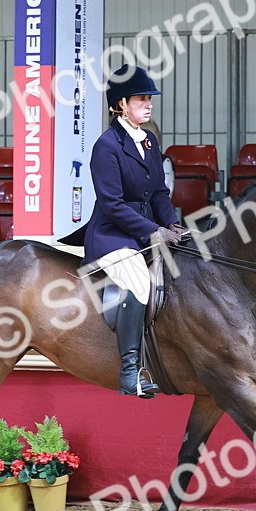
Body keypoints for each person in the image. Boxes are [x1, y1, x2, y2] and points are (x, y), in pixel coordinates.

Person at [61, 65, 188, 398]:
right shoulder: (107, 146)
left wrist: (171, 223)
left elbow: (159, 192)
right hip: (112, 236)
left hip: (144, 232)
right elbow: (113, 205)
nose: (149, 105)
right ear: (120, 104)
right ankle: (130, 372)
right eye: (141, 99)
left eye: (149, 99)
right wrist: (155, 232)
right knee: (139, 281)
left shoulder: (149, 140)